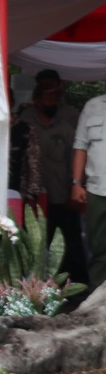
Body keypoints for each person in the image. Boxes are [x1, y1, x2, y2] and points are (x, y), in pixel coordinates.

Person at [21, 72, 88, 282]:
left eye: (55, 98)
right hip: (32, 199)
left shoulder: (66, 127)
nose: (52, 102)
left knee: (69, 242)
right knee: (35, 243)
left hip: (61, 195)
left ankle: (75, 285)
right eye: (47, 98)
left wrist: (75, 188)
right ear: (37, 100)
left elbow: (75, 160)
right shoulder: (24, 123)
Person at [73, 91, 106, 289]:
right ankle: (97, 302)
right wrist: (76, 183)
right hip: (97, 191)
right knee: (98, 249)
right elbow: (80, 147)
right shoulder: (92, 105)